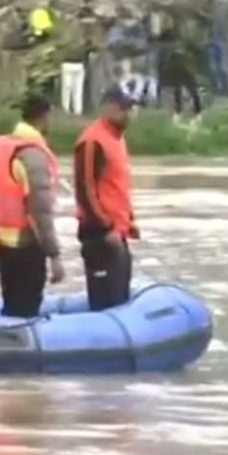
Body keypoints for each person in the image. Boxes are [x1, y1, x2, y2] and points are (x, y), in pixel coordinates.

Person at [0, 94, 64, 318]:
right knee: (27, 306)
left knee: (12, 302)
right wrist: (54, 255)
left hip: (2, 239)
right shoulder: (32, 155)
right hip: (25, 242)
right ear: (44, 117)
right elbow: (40, 211)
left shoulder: (2, 147)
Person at [74, 86, 139, 311]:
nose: (128, 114)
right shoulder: (92, 141)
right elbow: (85, 190)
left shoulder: (117, 139)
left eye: (130, 109)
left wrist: (129, 221)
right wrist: (106, 228)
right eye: (123, 108)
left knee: (120, 296)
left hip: (117, 232)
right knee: (105, 300)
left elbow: (116, 186)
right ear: (108, 107)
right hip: (99, 234)